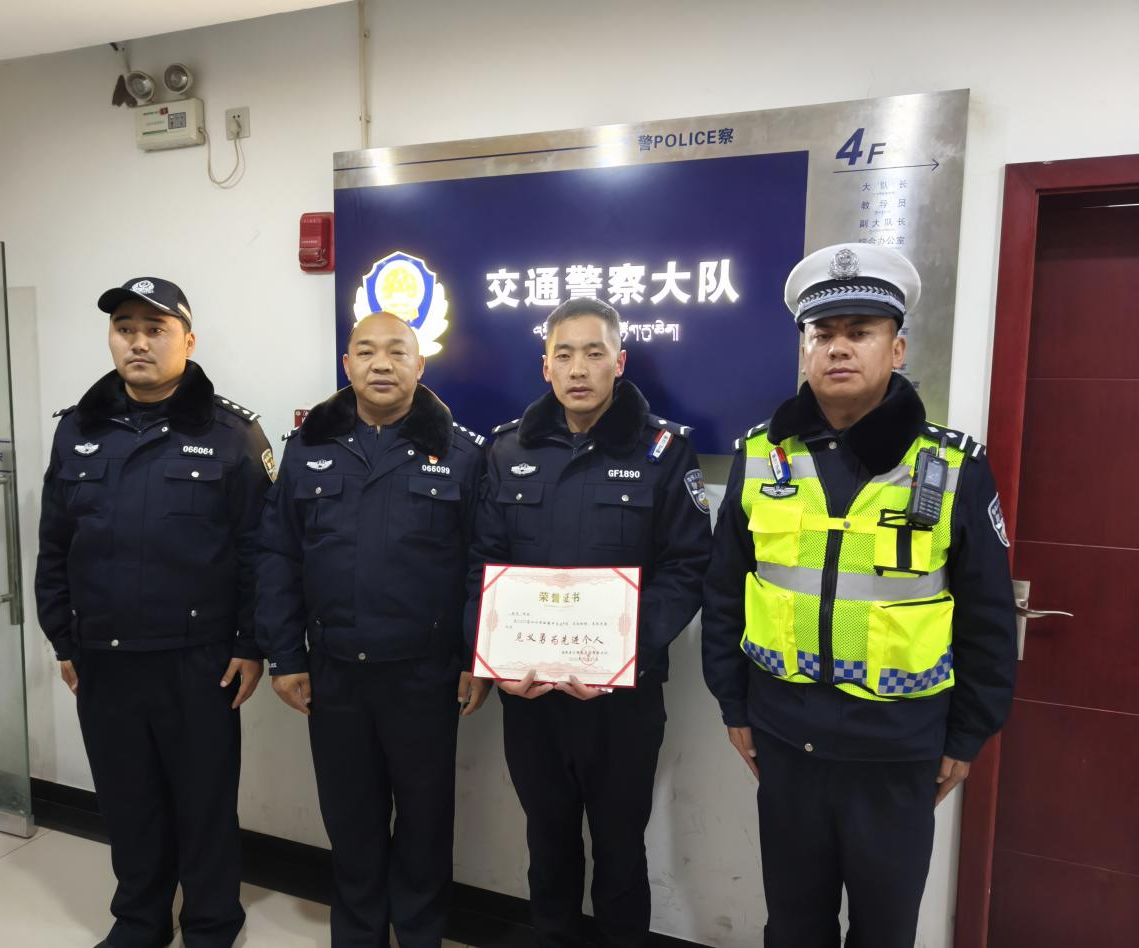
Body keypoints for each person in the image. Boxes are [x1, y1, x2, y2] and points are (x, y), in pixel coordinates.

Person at [702, 244, 1018, 948]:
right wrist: (733, 706)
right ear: (803, 351)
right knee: (793, 927)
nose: (838, 348)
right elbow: (725, 591)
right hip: (785, 740)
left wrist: (968, 734)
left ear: (897, 348)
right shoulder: (762, 457)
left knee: (884, 931)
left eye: (860, 332)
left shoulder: (950, 465)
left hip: (896, 751)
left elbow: (988, 615)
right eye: (822, 334)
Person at [35, 277, 274, 948]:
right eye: (125, 328)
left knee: (204, 803)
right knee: (127, 799)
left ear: (187, 341)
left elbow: (259, 550)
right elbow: (54, 544)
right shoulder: (76, 431)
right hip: (103, 655)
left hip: (198, 658)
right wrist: (63, 640)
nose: (138, 342)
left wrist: (250, 643)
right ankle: (140, 919)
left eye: (155, 329)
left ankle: (211, 922)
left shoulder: (231, 433)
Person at [467, 297, 710, 947]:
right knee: (546, 844)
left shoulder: (664, 451)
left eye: (594, 353)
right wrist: (489, 657)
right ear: (545, 365)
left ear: (619, 362)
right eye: (565, 354)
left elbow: (688, 567)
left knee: (620, 850)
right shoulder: (507, 450)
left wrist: (623, 652)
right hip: (531, 697)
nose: (579, 368)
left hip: (622, 701)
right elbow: (481, 563)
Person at [255, 311, 488, 948]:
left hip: (425, 675)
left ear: (420, 364)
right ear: (347, 364)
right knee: (350, 822)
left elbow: (482, 564)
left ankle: (418, 935)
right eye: (365, 351)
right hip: (333, 674)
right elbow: (277, 554)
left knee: (425, 823)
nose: (381, 364)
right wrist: (284, 655)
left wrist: (476, 656)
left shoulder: (463, 454)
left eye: (396, 351)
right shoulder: (308, 449)